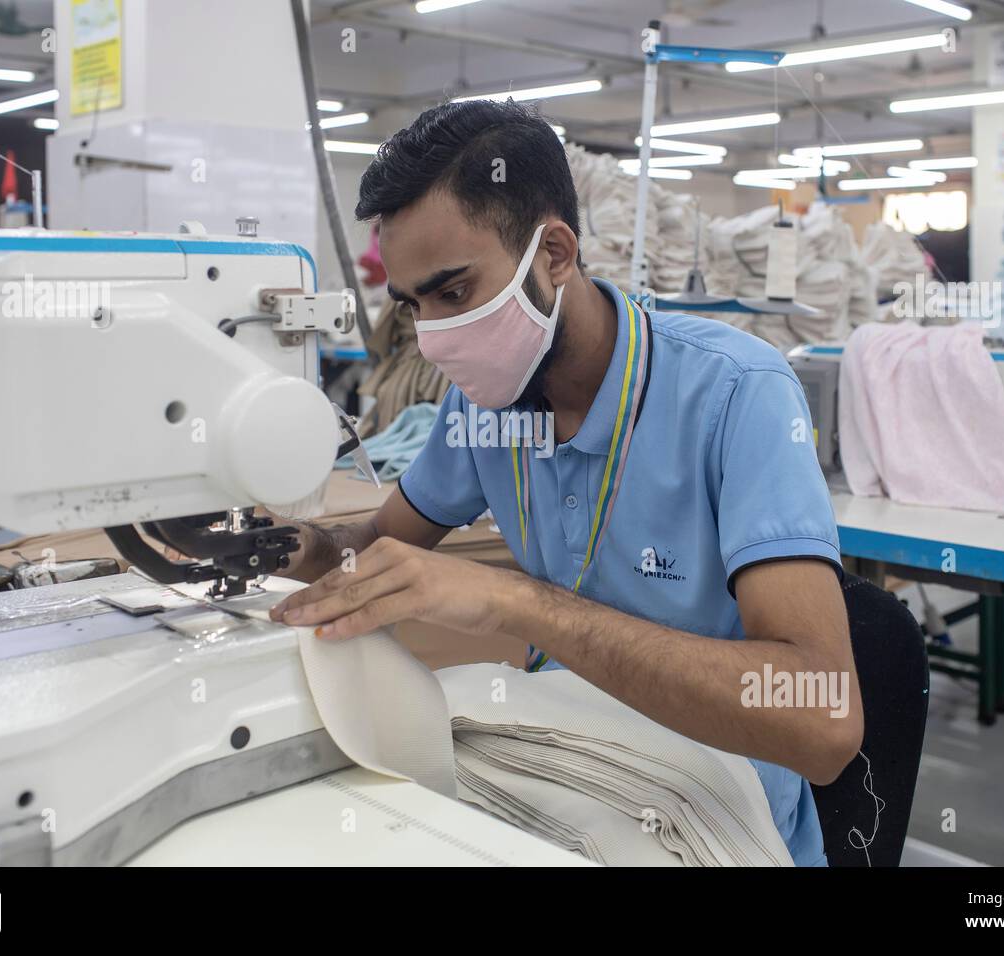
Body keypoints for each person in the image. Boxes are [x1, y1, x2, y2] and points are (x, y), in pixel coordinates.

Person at [269, 100, 861, 865]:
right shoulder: (484, 403)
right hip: (565, 768)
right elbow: (369, 548)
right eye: (414, 306)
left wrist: (517, 602)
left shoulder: (735, 394)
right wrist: (277, 543)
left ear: (553, 253)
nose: (432, 338)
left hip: (718, 812)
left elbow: (823, 721)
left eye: (453, 294)